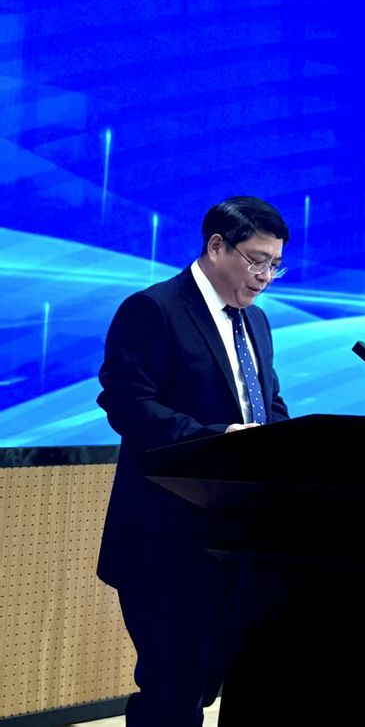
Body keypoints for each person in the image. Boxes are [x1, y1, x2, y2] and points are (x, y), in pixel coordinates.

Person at [97, 196, 291, 727]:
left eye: (276, 265)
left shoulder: (257, 323)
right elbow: (127, 404)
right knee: (172, 689)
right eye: (257, 261)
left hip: (239, 537)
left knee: (211, 683)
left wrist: (286, 444)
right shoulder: (153, 309)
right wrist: (219, 438)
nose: (266, 277)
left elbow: (268, 404)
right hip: (167, 537)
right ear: (216, 246)